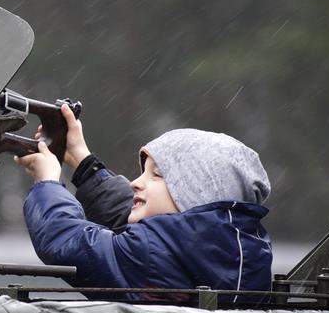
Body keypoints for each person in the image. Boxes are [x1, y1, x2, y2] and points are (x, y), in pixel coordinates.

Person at [15, 105, 272, 300]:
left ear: (195, 195)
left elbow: (66, 242)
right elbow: (129, 223)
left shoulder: (148, 255)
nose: (135, 183)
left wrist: (47, 181)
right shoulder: (238, 253)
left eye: (157, 175)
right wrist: (82, 162)